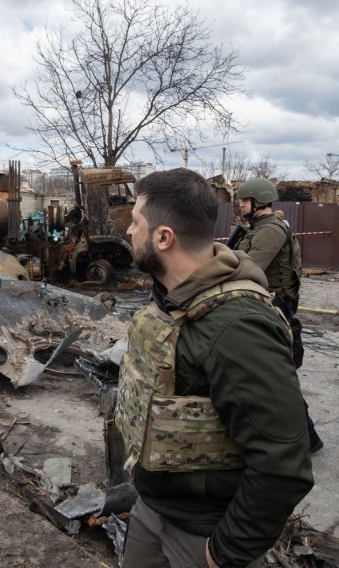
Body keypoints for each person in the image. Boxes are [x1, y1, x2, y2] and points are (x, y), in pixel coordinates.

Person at [115, 168, 314, 568]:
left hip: (203, 534)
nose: (129, 232)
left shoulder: (236, 327)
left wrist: (223, 553)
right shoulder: (175, 299)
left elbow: (283, 462)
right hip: (154, 511)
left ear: (164, 238)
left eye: (135, 223)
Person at [233, 177, 323, 453]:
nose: (239, 204)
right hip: (265, 304)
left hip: (274, 307)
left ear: (258, 202)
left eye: (244, 200)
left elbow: (249, 267)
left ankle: (307, 437)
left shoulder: (270, 231)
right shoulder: (258, 228)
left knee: (277, 375)